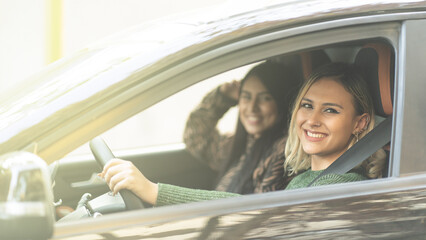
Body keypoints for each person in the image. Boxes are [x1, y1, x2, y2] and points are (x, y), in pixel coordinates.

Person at [99, 62, 386, 207]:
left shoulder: (338, 186)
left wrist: (153, 191)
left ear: (360, 123)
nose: (312, 119)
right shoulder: (305, 178)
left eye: (331, 111)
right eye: (307, 106)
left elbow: (251, 210)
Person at [183, 61, 301, 194]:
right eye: (246, 97)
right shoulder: (241, 145)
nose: (252, 107)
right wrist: (222, 96)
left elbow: (261, 208)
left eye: (265, 98)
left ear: (282, 101)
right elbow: (195, 137)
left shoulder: (284, 152)